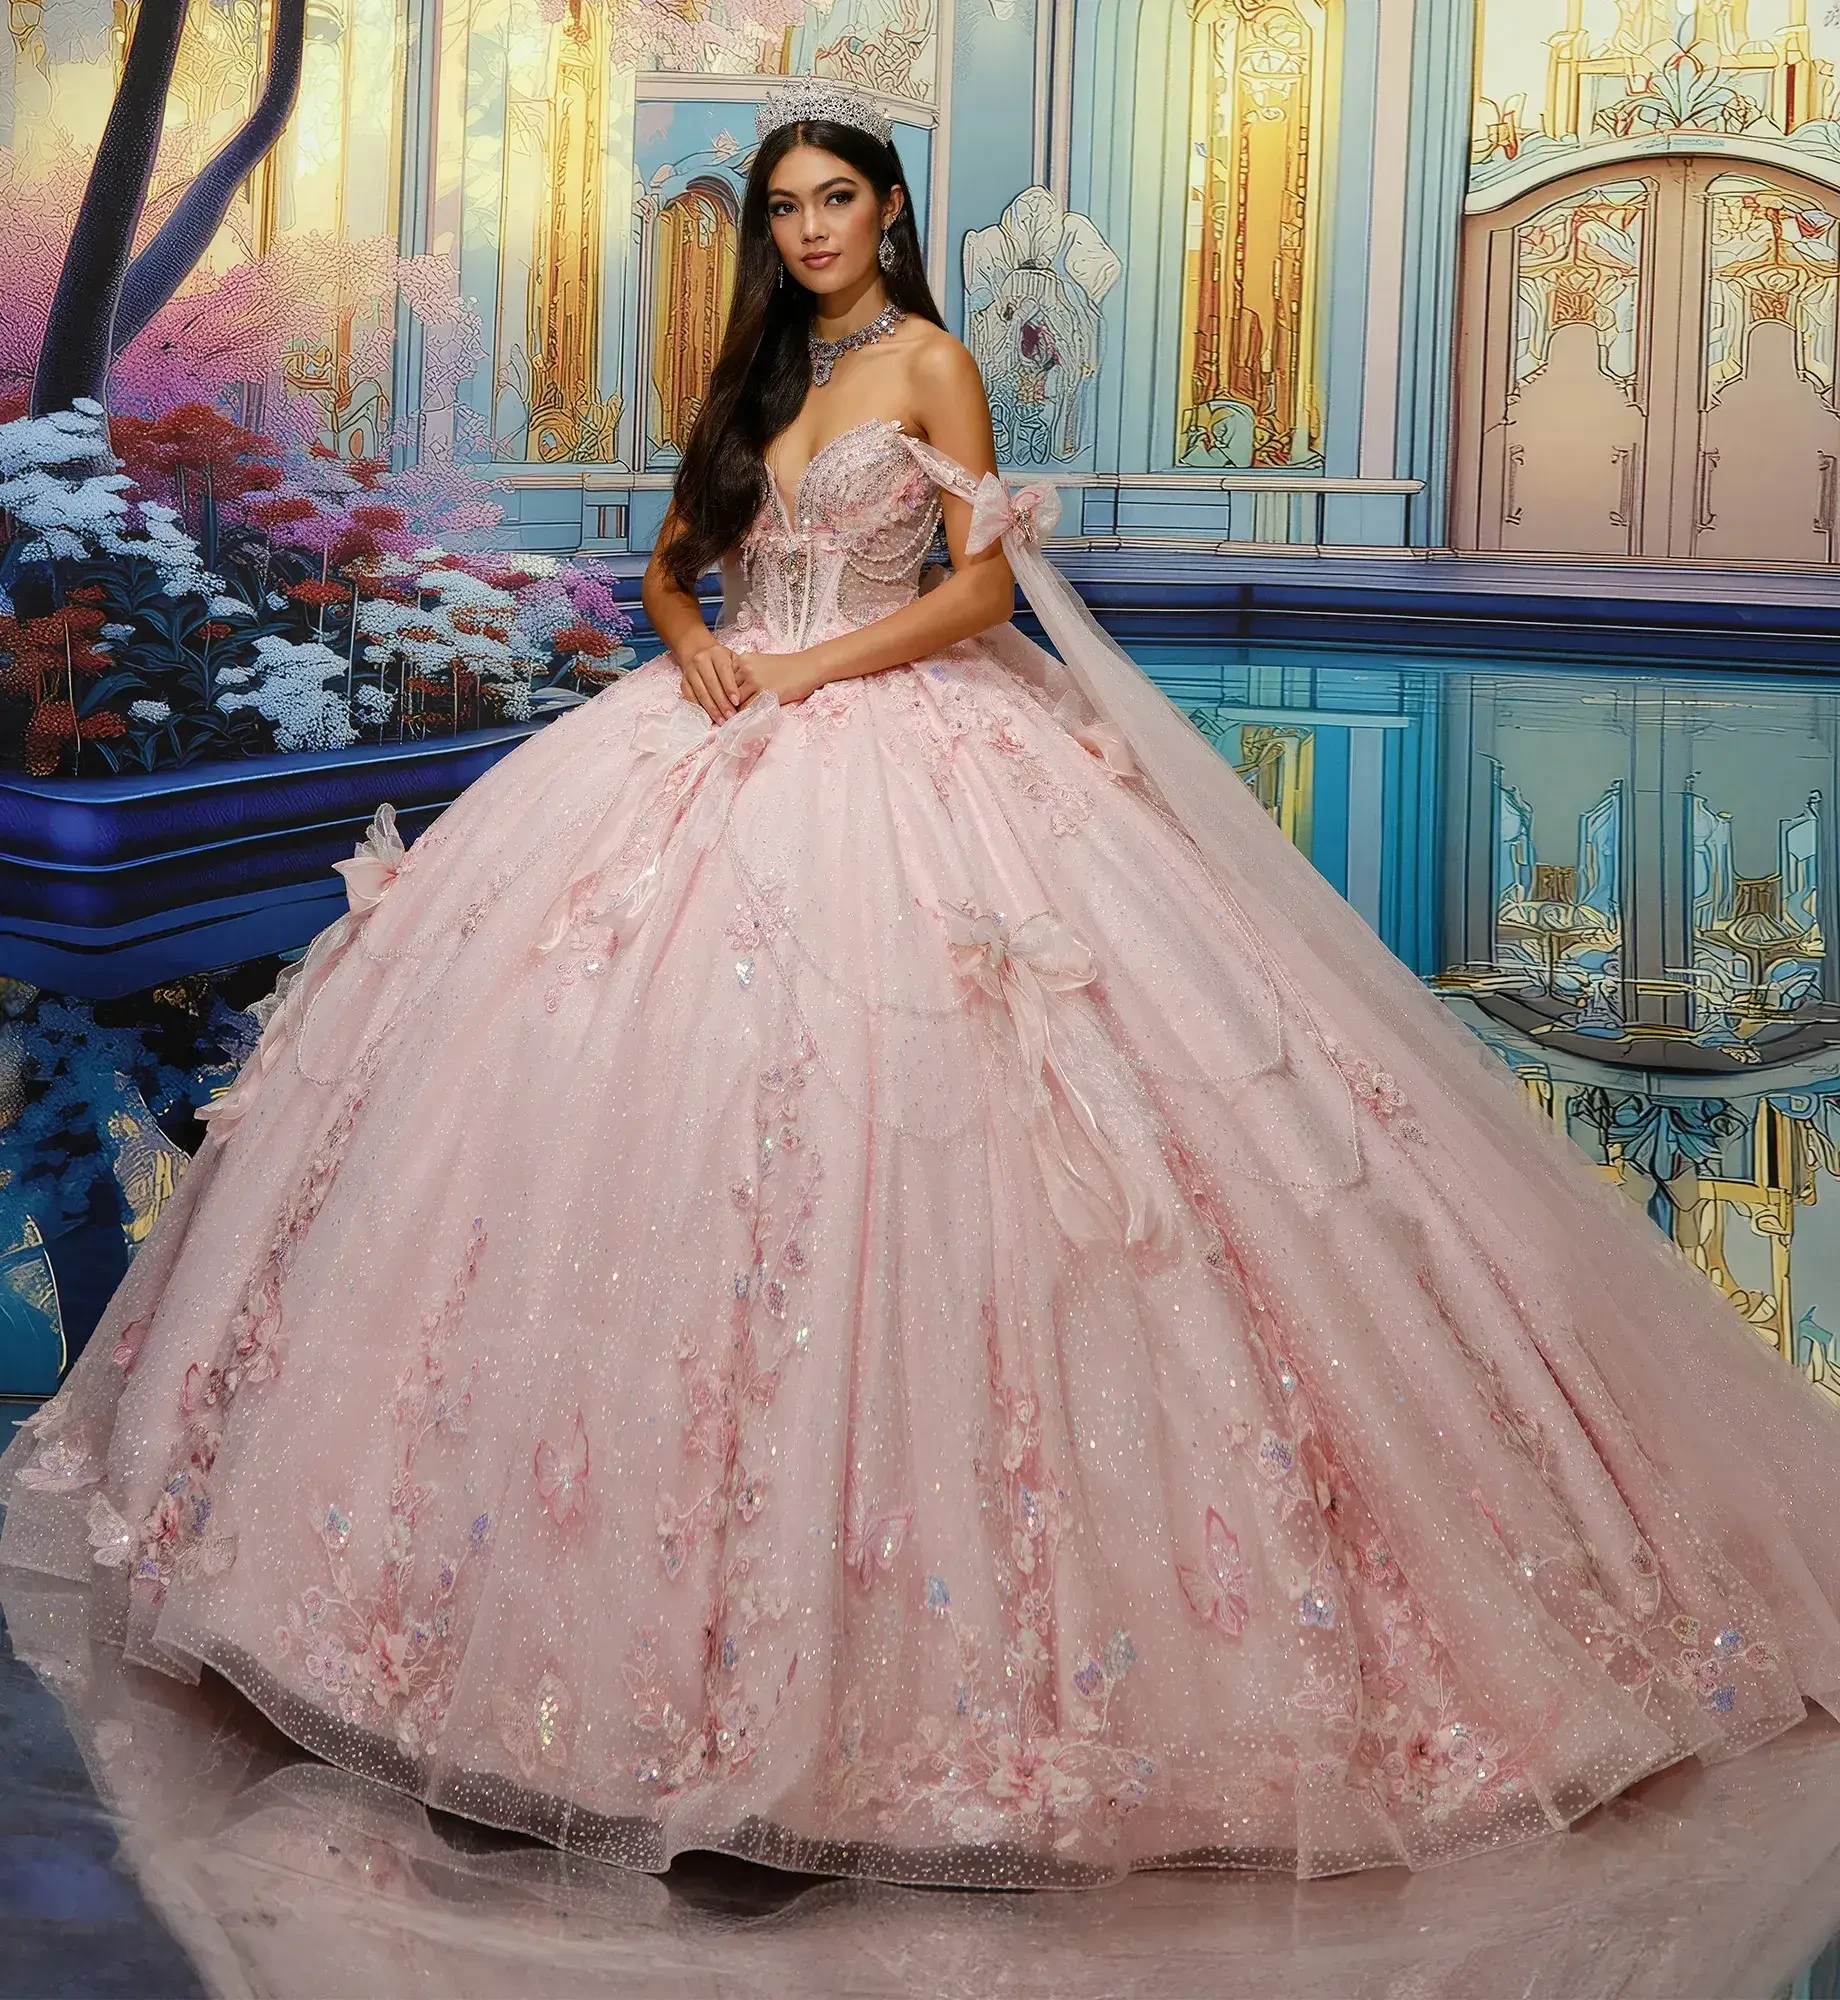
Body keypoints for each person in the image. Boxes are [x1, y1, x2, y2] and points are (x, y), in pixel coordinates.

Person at [6, 78, 1840, 1893]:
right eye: (785, 209)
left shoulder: (930, 368)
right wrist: (703, 643)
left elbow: (983, 601)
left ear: (889, 213)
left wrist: (812, 678)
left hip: (899, 738)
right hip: (709, 722)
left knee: (921, 1123)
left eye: (836, 202)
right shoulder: (754, 381)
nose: (809, 232)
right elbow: (668, 561)